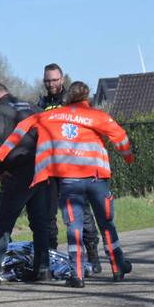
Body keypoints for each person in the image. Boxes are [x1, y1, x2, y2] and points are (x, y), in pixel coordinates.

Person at [0, 81, 136, 288]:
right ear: (86, 98)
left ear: (68, 98)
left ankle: (76, 275)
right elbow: (120, 138)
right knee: (106, 223)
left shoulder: (49, 116)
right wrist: (128, 157)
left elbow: (21, 128)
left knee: (74, 228)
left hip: (69, 182)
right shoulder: (97, 116)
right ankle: (117, 267)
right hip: (97, 179)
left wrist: (1, 155)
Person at [0, 81, 51, 287]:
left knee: (3, 224)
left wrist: (0, 170)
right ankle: (43, 268)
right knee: (40, 223)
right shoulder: (32, 107)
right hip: (40, 169)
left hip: (17, 172)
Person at [38, 63, 101, 274]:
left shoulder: (73, 103)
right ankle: (51, 258)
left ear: (62, 79)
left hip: (72, 167)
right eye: (47, 80)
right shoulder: (40, 104)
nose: (51, 84)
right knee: (48, 215)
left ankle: (92, 254)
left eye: (54, 80)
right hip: (50, 168)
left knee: (81, 211)